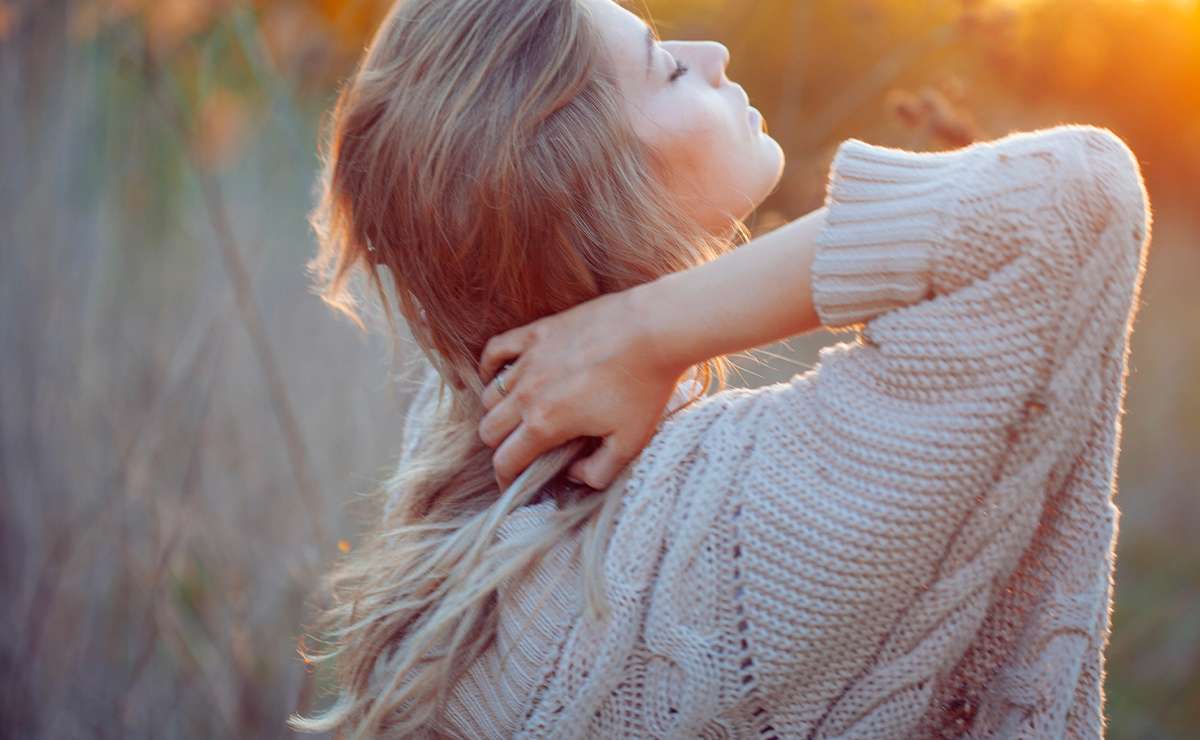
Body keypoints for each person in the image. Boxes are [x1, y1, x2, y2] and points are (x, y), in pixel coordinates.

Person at [291, 0, 1152, 737]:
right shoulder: (733, 532)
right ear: (588, 184)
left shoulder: (469, 475)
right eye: (666, 69)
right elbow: (1077, 198)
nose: (714, 55)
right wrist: (642, 328)